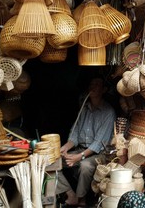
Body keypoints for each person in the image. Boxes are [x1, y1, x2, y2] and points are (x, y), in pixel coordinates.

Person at [57, 78, 116, 206]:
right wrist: (65, 148)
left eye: (97, 84)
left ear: (104, 90)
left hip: (98, 154)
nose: (92, 87)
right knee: (52, 163)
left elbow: (98, 143)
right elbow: (75, 134)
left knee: (85, 166)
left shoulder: (108, 112)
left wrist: (79, 157)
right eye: (91, 84)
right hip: (81, 150)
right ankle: (70, 194)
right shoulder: (85, 108)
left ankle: (81, 201)